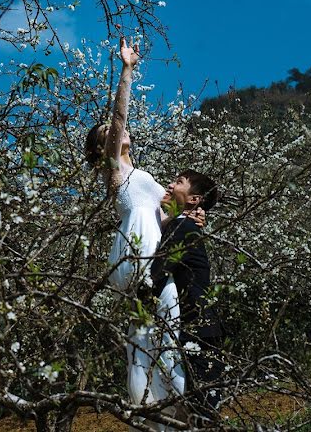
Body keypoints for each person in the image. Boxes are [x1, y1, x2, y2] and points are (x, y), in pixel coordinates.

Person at [86, 38, 197, 430]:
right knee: (159, 334)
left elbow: (160, 217)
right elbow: (118, 119)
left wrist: (187, 217)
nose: (117, 131)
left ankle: (162, 415)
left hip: (152, 247)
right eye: (108, 134)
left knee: (151, 337)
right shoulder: (114, 172)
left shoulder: (139, 175)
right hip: (139, 255)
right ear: (104, 148)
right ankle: (173, 413)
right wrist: (127, 71)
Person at [151, 170, 225, 426]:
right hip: (199, 330)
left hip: (198, 332)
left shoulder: (183, 226)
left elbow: (157, 271)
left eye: (179, 182)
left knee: (200, 412)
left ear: (194, 200)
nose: (170, 184)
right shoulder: (183, 224)